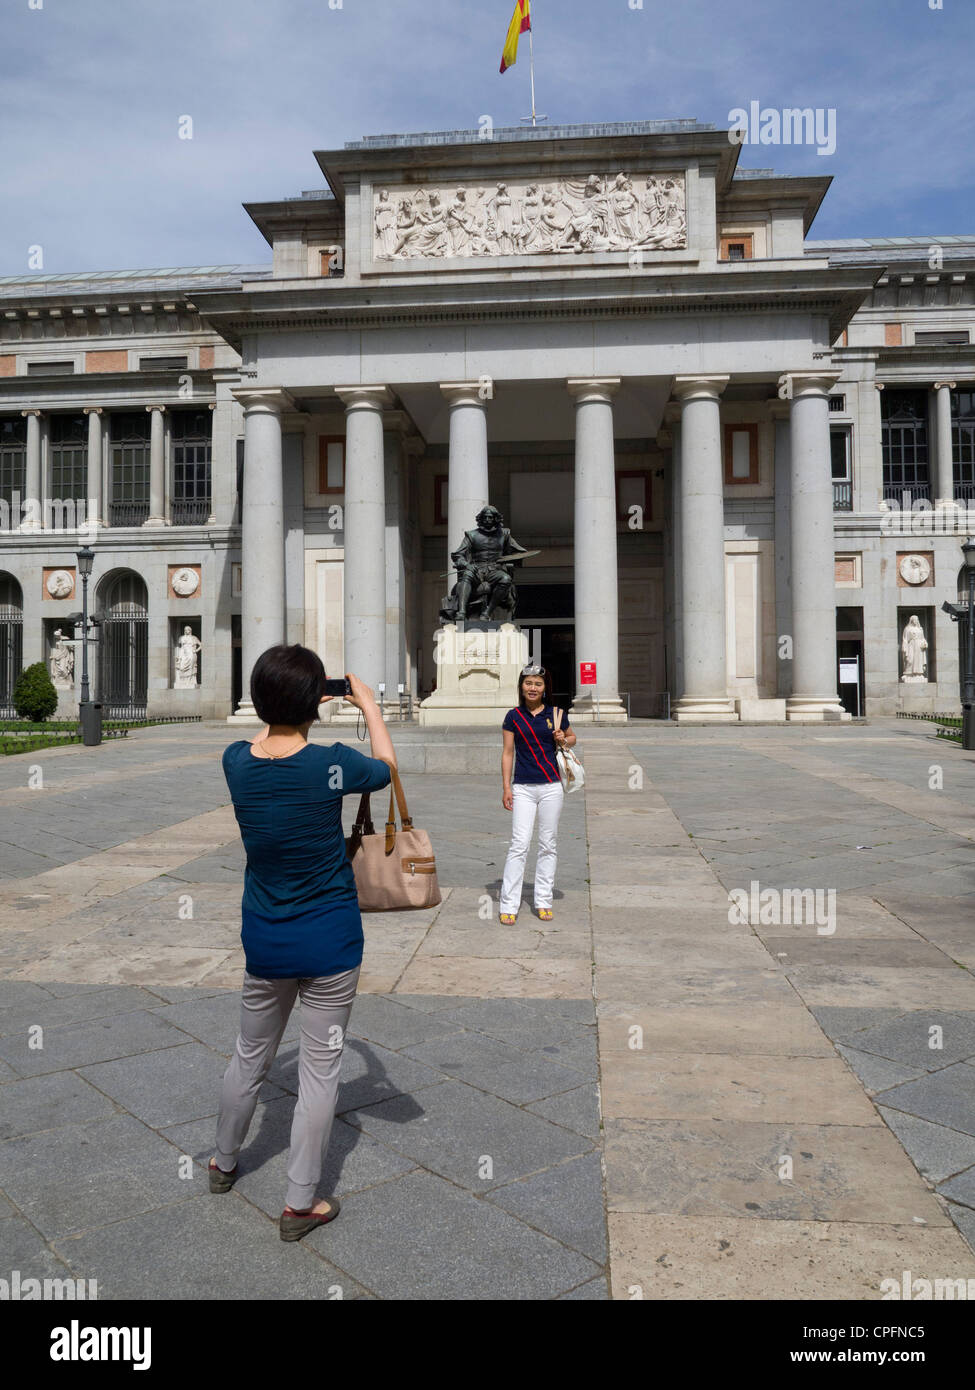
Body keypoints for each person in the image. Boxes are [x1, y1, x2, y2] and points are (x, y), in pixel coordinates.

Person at [213, 644, 396, 1242]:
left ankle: (222, 1161)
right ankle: (299, 1203)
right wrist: (368, 706)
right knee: (321, 1074)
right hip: (330, 943)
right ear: (318, 700)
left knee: (249, 1054)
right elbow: (387, 770)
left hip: (266, 939)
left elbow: (270, 742)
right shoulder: (333, 765)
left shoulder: (235, 760)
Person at [499, 664, 577, 924]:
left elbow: (572, 737)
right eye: (528, 683)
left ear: (545, 689)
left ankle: (543, 900)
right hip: (523, 786)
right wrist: (506, 786)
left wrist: (563, 739)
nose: (532, 688)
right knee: (519, 844)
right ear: (521, 686)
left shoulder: (556, 713)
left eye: (538, 684)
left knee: (548, 844)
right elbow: (508, 752)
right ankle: (509, 903)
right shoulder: (513, 716)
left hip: (551, 786)